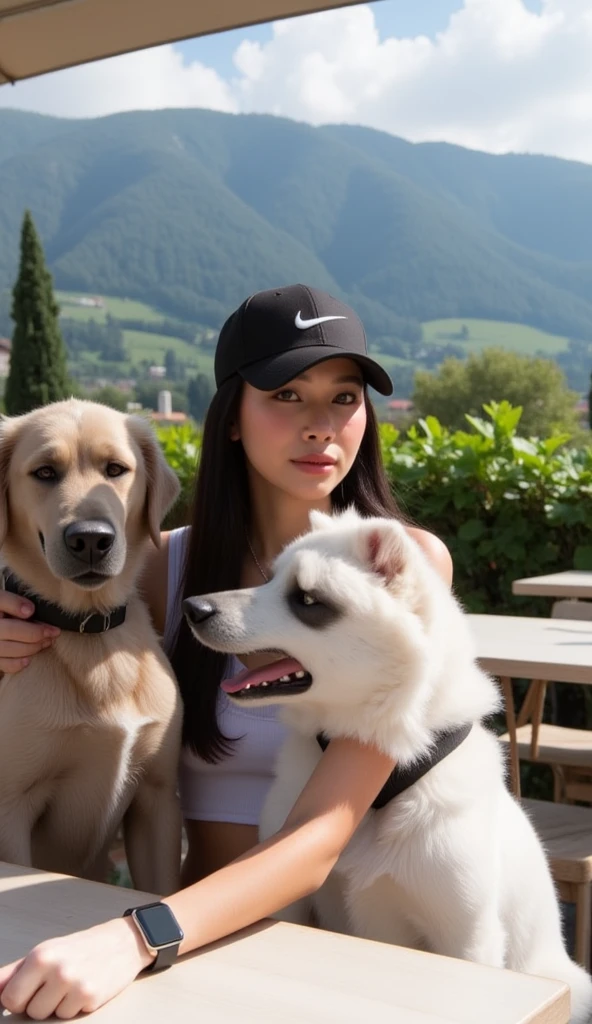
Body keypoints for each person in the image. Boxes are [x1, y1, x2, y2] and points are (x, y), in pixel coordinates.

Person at [0, 284, 452, 1019]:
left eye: (344, 398)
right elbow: (39, 573)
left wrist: (135, 936)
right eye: (287, 394)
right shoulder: (157, 567)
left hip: (344, 947)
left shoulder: (400, 568)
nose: (321, 426)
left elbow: (319, 837)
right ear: (232, 417)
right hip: (194, 949)